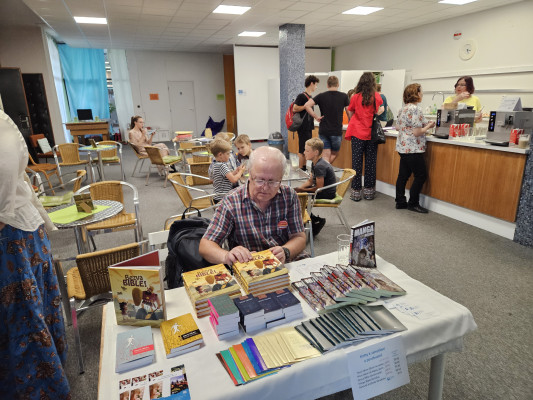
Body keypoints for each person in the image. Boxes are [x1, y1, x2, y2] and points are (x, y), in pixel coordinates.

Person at [0, 110, 71, 398]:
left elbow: (5, 165)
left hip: (12, 231)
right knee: (30, 311)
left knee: (25, 317)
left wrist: (1, 214)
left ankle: (45, 388)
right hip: (17, 227)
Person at [199, 146, 306, 265]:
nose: (265, 188)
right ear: (249, 174)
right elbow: (205, 245)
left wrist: (286, 251)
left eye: (272, 181)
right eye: (260, 180)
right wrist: (226, 256)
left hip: (286, 262)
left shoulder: (289, 196)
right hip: (249, 266)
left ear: (281, 178)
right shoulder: (232, 202)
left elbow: (299, 237)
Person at [395, 83, 435, 214]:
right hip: (413, 148)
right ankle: (413, 203)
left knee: (403, 176)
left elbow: (398, 127)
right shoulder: (416, 109)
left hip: (403, 147)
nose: (422, 94)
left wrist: (424, 124)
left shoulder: (403, 109)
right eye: (421, 92)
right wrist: (428, 127)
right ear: (416, 94)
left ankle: (400, 202)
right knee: (420, 176)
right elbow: (417, 132)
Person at [345, 72, 384, 201]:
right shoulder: (376, 96)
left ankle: (356, 193)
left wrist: (356, 119)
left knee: (356, 163)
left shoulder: (355, 97)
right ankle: (368, 192)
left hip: (357, 132)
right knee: (370, 163)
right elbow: (380, 110)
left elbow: (350, 112)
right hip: (371, 133)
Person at [295, 137, 337, 236]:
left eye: (307, 150)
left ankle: (314, 222)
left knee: (298, 198)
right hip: (322, 190)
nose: (304, 152)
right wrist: (299, 189)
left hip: (326, 193)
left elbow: (319, 189)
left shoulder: (319, 166)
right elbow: (310, 181)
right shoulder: (315, 163)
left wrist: (301, 190)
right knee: (297, 194)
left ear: (316, 152)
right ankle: (313, 220)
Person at [304, 76, 350, 164]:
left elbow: (307, 105)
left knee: (325, 155)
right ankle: (324, 169)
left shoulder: (321, 96)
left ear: (327, 85)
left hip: (323, 130)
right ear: (338, 85)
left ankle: (322, 169)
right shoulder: (344, 96)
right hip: (336, 131)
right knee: (334, 153)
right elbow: (349, 113)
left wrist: (316, 117)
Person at [292, 75, 319, 170]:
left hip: (308, 126)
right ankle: (301, 168)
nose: (316, 87)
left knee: (306, 148)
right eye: (316, 85)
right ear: (311, 84)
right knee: (302, 149)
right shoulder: (302, 96)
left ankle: (304, 168)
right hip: (303, 127)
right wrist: (306, 106)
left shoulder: (310, 97)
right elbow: (295, 108)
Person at [208, 139, 245, 203]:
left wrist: (236, 171)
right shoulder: (222, 166)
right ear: (220, 155)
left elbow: (226, 176)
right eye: (228, 154)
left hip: (217, 197)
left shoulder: (216, 164)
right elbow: (233, 180)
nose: (229, 156)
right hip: (222, 198)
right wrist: (240, 172)